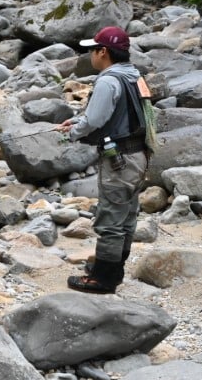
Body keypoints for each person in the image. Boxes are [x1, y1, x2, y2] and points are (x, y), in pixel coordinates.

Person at [53, 26, 150, 294]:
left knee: (111, 218)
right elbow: (121, 115)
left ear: (103, 52)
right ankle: (113, 267)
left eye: (93, 50)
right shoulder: (133, 75)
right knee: (127, 215)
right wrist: (77, 120)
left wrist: (73, 132)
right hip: (138, 154)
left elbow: (96, 120)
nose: (91, 55)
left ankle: (104, 279)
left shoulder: (108, 80)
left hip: (119, 159)